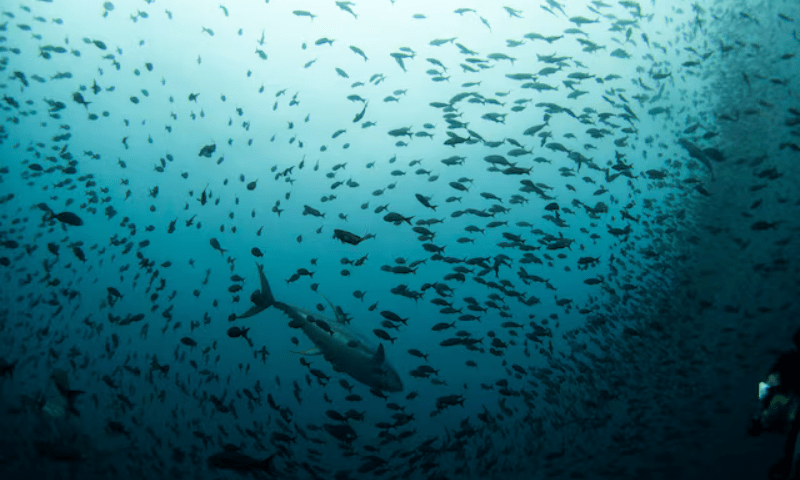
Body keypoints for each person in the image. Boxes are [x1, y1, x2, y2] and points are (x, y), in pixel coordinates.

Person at [749, 328, 800, 479]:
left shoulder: (787, 359)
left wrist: (760, 411)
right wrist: (761, 410)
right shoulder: (788, 360)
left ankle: (786, 467)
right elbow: (767, 384)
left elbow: (766, 384)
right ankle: (786, 466)